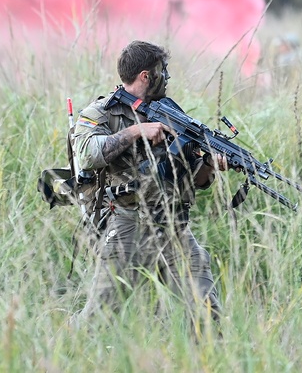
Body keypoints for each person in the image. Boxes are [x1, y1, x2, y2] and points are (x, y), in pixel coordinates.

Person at [71, 41, 228, 326]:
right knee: (98, 317)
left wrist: (208, 163)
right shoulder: (102, 112)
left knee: (207, 309)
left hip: (173, 225)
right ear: (145, 75)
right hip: (128, 224)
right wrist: (135, 131)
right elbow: (87, 155)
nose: (166, 76)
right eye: (162, 70)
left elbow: (193, 181)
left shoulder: (171, 112)